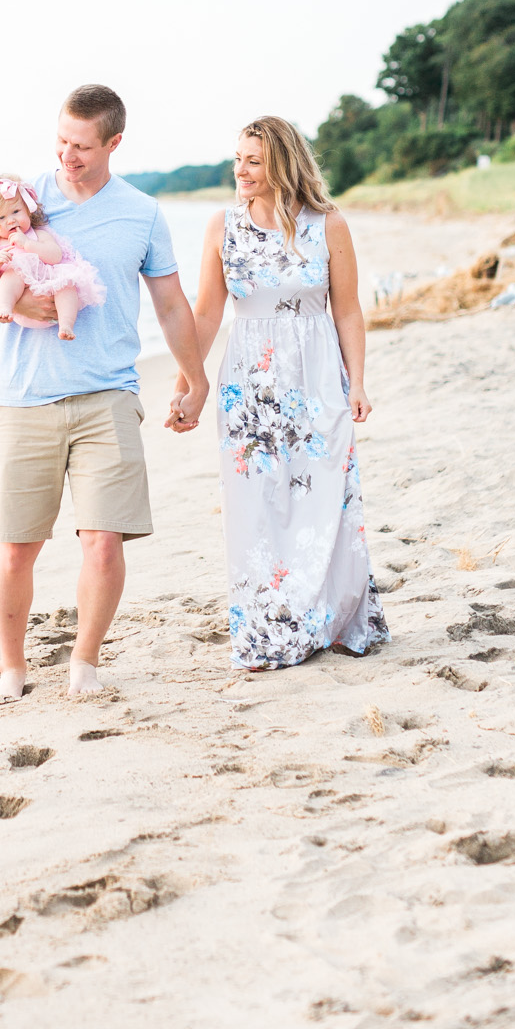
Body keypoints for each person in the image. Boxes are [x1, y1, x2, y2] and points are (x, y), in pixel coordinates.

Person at [0, 84, 209, 702]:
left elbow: (172, 305)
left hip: (108, 396)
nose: (67, 155)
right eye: (62, 141)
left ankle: (84, 665)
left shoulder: (142, 213)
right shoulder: (24, 197)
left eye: (82, 145)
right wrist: (19, 306)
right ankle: (12, 670)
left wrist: (196, 379)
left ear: (114, 143)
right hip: (24, 397)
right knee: (17, 548)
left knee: (104, 540)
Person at [171, 115, 389, 671]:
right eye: (238, 159)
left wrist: (357, 381)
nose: (240, 171)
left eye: (253, 161)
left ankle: (333, 618)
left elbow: (347, 309)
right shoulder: (223, 226)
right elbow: (206, 312)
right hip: (249, 383)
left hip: (318, 380)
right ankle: (271, 624)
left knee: (326, 498)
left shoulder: (327, 224)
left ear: (283, 165)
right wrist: (189, 383)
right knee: (258, 505)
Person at [0, 175, 105, 338]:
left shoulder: (39, 234)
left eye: (16, 211)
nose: (10, 220)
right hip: (21, 302)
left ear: (28, 210)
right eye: (1, 218)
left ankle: (66, 324)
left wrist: (27, 244)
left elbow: (55, 256)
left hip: (46, 281)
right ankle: (5, 309)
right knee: (11, 274)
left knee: (67, 284)